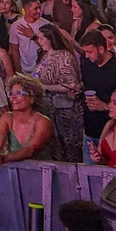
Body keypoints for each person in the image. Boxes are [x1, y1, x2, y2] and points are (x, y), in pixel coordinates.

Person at [79, 30, 116, 163]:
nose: (87, 56)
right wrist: (78, 89)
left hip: (113, 134)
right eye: (85, 52)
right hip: (89, 130)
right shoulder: (87, 65)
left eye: (89, 51)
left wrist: (104, 106)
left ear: (101, 49)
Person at [34, 23, 82, 163]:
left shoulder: (64, 57)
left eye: (41, 38)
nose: (39, 41)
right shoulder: (44, 56)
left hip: (64, 110)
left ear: (50, 39)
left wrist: (44, 87)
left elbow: (71, 85)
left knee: (69, 146)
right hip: (48, 109)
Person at [0, 74, 54, 164]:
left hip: (41, 170)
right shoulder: (7, 118)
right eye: (11, 94)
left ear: (31, 98)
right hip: (13, 169)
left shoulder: (43, 122)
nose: (13, 97)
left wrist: (1, 159)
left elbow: (30, 150)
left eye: (18, 93)